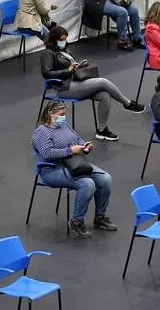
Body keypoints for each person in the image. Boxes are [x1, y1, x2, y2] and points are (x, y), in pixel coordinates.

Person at [40, 25, 146, 142]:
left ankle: (101, 130)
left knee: (105, 95)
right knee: (102, 82)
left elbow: (70, 65)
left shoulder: (65, 50)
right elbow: (47, 73)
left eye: (65, 39)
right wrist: (68, 70)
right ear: (54, 40)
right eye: (62, 40)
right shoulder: (48, 53)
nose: (64, 41)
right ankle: (128, 103)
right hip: (64, 88)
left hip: (76, 82)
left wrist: (78, 65)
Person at [31, 101, 116, 239]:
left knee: (105, 178)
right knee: (88, 184)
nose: (64, 117)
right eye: (61, 114)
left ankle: (100, 217)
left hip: (74, 164)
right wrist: (70, 150)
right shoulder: (41, 132)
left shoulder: (64, 125)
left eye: (65, 114)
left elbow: (76, 139)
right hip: (51, 170)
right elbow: (47, 153)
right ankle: (76, 221)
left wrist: (84, 146)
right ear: (50, 114)